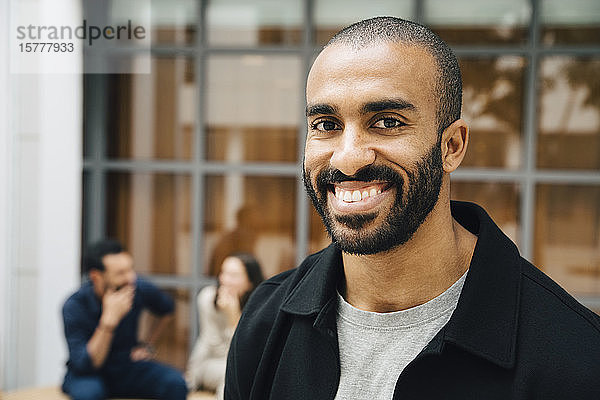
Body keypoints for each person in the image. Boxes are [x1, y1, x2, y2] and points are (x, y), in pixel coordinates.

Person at [224, 17, 600, 400]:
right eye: (326, 124)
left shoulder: (576, 362)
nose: (348, 159)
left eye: (386, 122)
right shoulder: (265, 323)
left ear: (452, 146)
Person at [61, 239, 188, 400]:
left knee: (175, 383)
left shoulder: (136, 287)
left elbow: (167, 309)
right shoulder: (74, 306)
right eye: (120, 273)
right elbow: (88, 364)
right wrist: (108, 322)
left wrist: (148, 345)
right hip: (88, 373)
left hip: (127, 366)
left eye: (130, 269)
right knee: (89, 394)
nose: (130, 278)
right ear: (96, 276)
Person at [187, 253, 264, 398]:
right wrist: (191, 377)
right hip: (212, 363)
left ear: (250, 282)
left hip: (243, 365)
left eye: (234, 275)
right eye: (223, 273)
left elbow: (250, 352)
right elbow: (212, 344)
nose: (225, 280)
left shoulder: (260, 306)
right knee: (233, 375)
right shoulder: (208, 298)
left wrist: (234, 316)